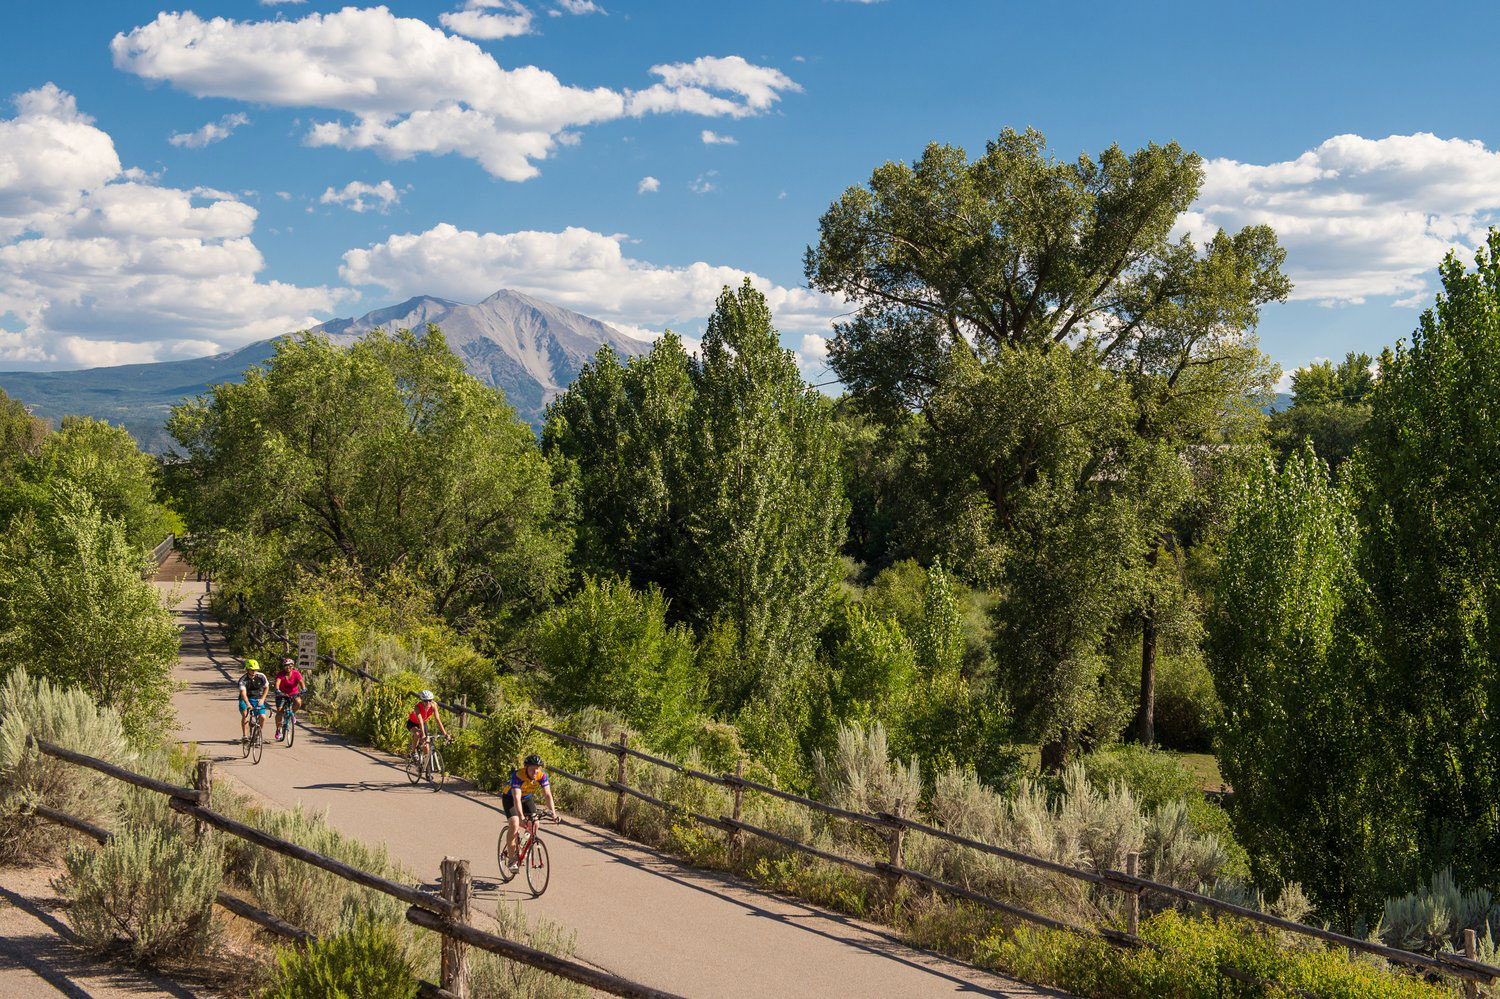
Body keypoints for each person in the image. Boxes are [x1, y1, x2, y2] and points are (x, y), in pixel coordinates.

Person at [504, 753, 559, 865]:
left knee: (534, 824)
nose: (535, 772)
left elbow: (547, 795)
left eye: (537, 769)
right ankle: (511, 858)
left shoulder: (542, 776)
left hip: (527, 798)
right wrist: (521, 817)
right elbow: (517, 799)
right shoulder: (518, 776)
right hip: (510, 798)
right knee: (514, 824)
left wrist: (553, 813)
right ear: (526, 768)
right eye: (532, 769)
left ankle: (522, 848)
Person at [406, 690, 448, 759]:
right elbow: (420, 721)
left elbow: (438, 719)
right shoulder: (417, 707)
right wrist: (423, 735)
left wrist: (445, 734)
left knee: (426, 746)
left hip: (424, 723)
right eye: (425, 701)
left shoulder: (434, 705)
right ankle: (413, 752)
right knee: (417, 734)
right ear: (422, 700)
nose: (428, 702)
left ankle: (426, 766)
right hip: (412, 723)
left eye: (430, 700)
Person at [238, 659, 271, 743]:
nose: (254, 671)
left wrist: (263, 699)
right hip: (246, 699)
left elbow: (266, 687)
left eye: (256, 670)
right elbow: (243, 693)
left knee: (263, 717)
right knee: (245, 714)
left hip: (258, 699)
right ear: (247, 669)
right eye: (252, 670)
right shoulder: (243, 679)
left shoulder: (261, 676)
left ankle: (257, 735)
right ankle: (245, 736)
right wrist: (248, 703)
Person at [273, 657, 304, 742]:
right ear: (283, 667)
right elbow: (277, 683)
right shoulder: (280, 674)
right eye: (286, 665)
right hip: (282, 694)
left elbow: (301, 682)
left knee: (298, 702)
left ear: (292, 666)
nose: (288, 667)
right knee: (279, 711)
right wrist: (277, 689)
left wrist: (304, 689)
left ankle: (292, 714)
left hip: (294, 693)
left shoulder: (296, 673)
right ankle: (278, 730)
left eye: (290, 665)